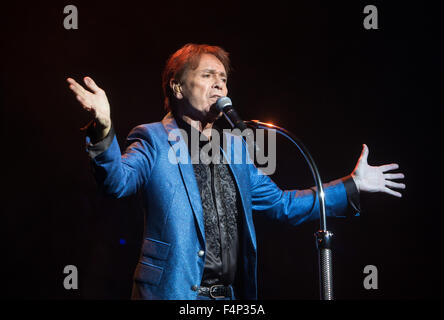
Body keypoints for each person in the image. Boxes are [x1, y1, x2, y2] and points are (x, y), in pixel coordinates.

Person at [67, 43, 405, 300]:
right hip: (174, 293)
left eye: (224, 79)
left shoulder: (236, 149)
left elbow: (282, 204)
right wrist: (103, 127)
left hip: (231, 297)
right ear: (177, 87)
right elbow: (116, 182)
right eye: (207, 75)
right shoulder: (153, 139)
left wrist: (350, 186)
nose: (220, 85)